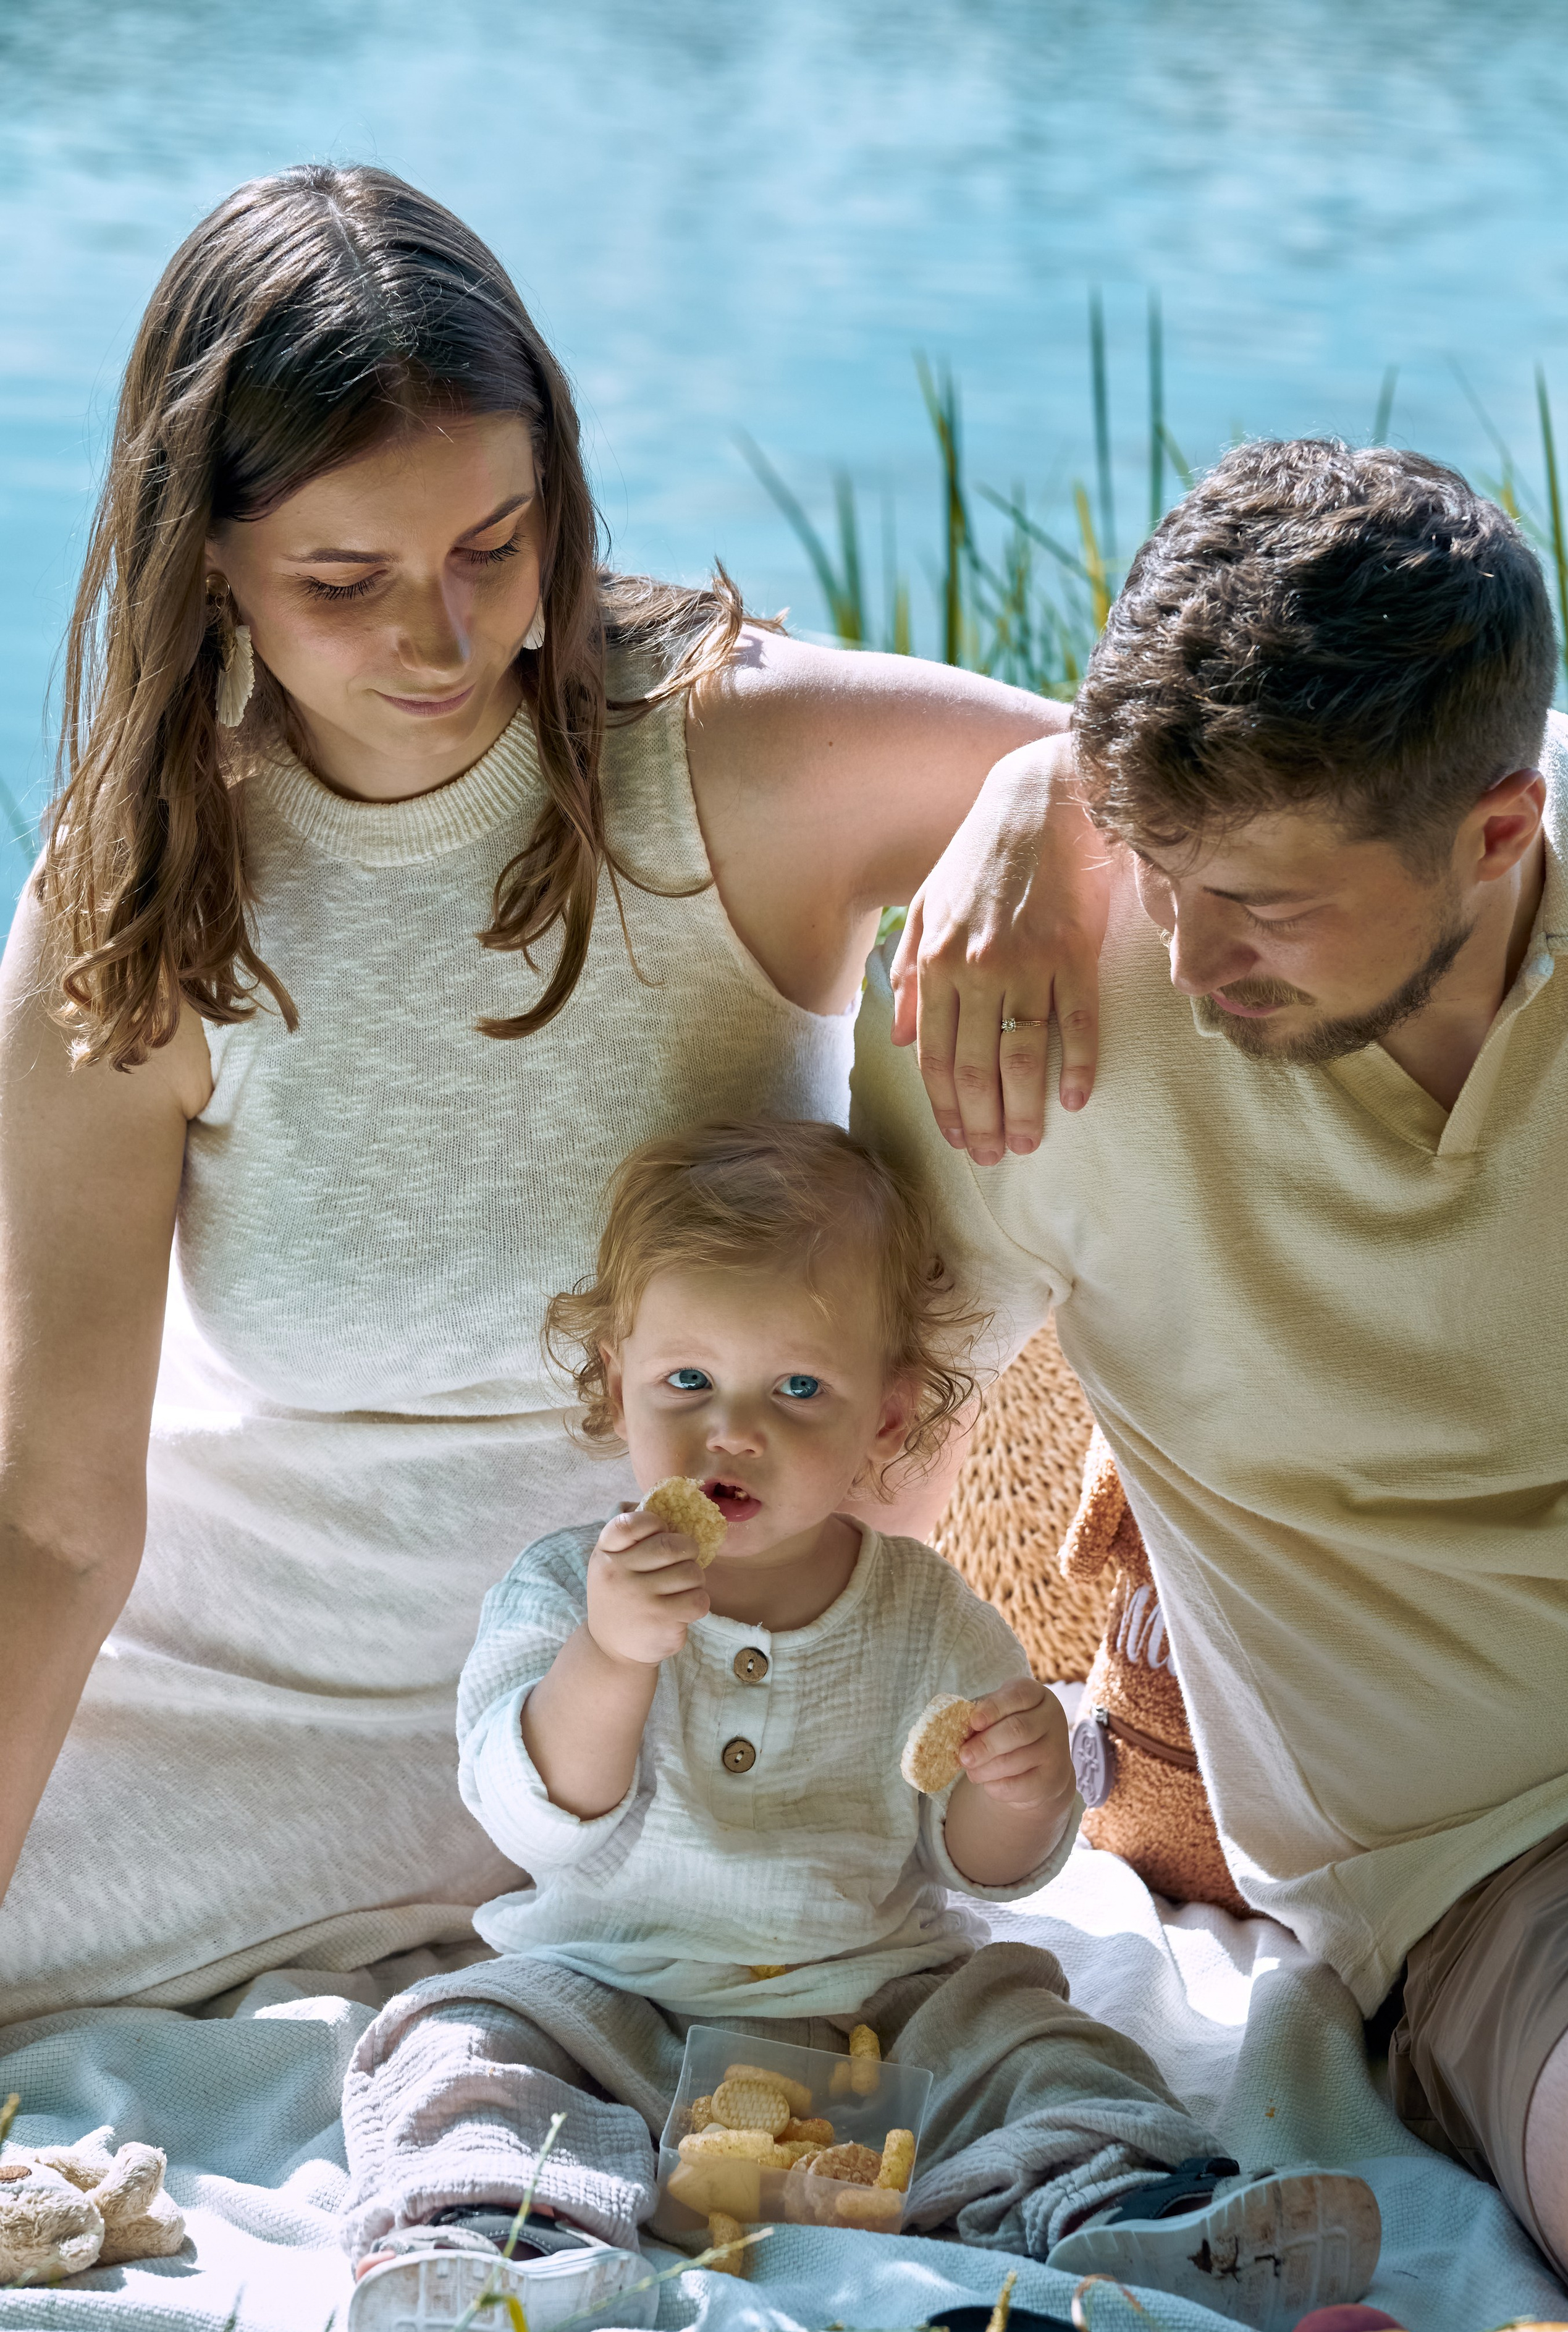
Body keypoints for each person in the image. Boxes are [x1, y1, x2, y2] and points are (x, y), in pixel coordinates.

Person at [0, 162, 1106, 2021]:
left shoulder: (721, 759)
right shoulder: (143, 895)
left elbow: (1158, 792)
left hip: (700, 1698)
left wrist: (1030, 810)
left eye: (493, 547)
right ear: (209, 564)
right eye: (343, 582)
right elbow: (52, 1521)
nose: (442, 640)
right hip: (249, 1698)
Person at [856, 440, 1568, 2289]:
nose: (1187, 955)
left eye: (1260, 903)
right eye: (1159, 866)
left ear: (1500, 831)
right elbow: (849, 1467)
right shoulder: (1040, 1014)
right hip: (1511, 1870)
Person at [339, 1120, 1378, 2332]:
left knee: (1041, 2039)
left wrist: (1020, 1786)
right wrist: (609, 1659)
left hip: (878, 2017)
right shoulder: (566, 1588)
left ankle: (1131, 2212)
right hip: (616, 2001)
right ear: (617, 1381)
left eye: (796, 1391)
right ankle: (498, 2232)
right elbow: (534, 1816)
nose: (732, 1432)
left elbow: (984, 1867)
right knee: (460, 2033)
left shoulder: (925, 1613)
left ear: (885, 1418)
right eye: (686, 1382)